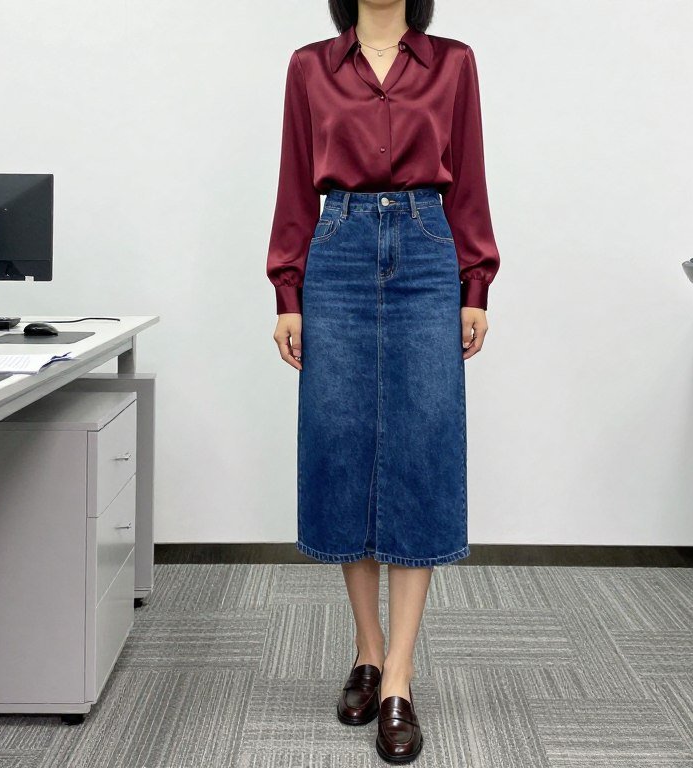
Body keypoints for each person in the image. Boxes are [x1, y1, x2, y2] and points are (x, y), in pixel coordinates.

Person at [266, 0, 500, 762]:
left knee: (420, 451)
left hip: (428, 252)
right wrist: (288, 295)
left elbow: (468, 181)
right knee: (342, 446)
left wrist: (475, 286)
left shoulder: (453, 62)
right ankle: (367, 647)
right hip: (336, 249)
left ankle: (398, 677)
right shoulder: (310, 66)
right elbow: (295, 188)